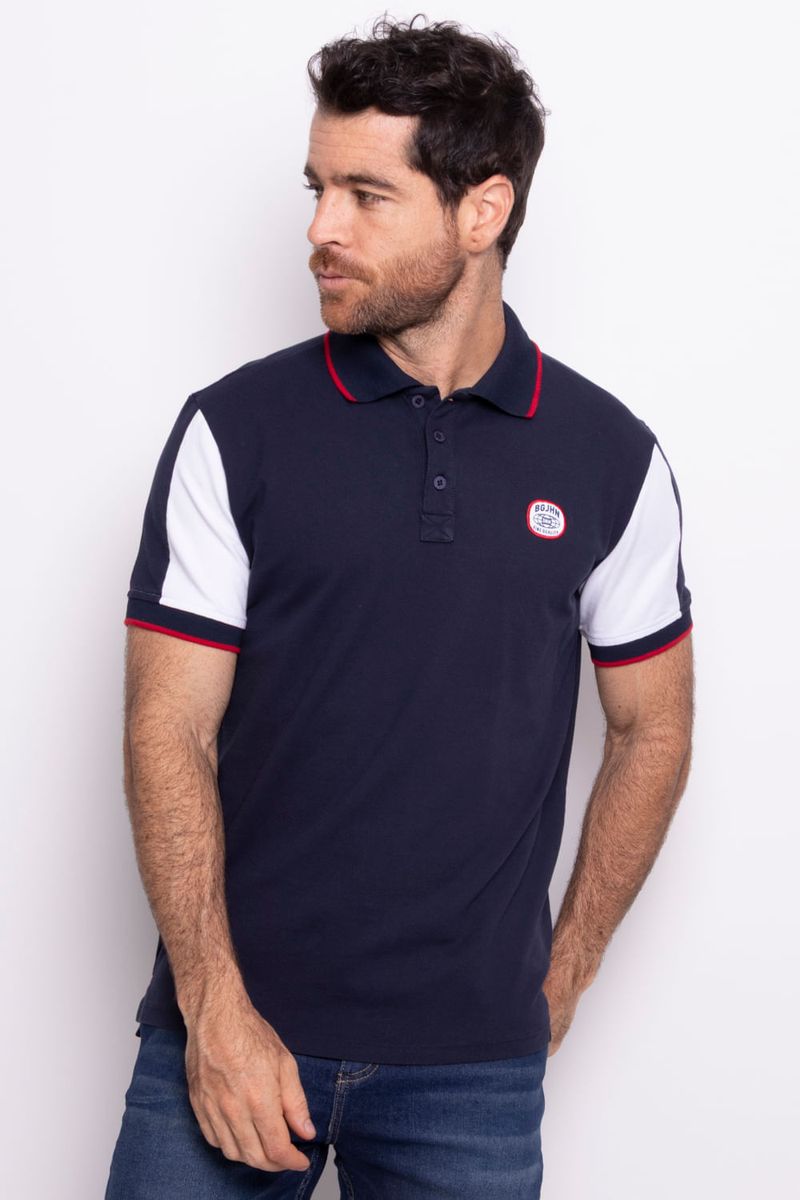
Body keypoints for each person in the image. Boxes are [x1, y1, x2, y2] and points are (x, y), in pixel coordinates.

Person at [104, 14, 695, 1199]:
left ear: (481, 212)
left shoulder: (608, 458)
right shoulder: (235, 430)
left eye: (365, 195)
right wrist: (214, 1009)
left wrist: (563, 972)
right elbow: (168, 728)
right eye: (316, 187)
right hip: (228, 1039)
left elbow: (652, 728)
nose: (319, 228)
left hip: (470, 1071)